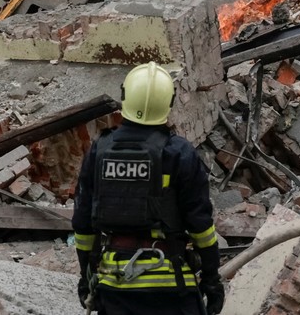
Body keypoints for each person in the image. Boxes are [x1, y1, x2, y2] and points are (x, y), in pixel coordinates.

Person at [72, 62, 225, 315]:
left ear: (125, 96)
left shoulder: (99, 151)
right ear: (168, 103)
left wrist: (85, 277)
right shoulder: (179, 153)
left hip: (115, 285)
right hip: (171, 288)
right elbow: (201, 227)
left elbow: (83, 225)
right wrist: (211, 279)